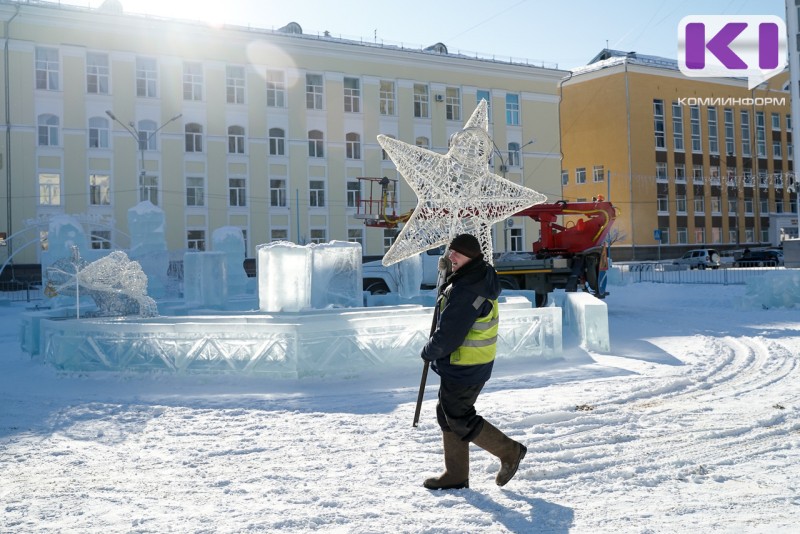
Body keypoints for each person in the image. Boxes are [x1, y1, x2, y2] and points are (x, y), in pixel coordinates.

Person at [421, 233, 527, 490]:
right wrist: (447, 277)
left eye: (457, 253)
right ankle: (455, 474)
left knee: (459, 416)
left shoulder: (468, 288)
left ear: (472, 256)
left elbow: (450, 334)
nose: (451, 256)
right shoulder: (476, 276)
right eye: (450, 252)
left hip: (465, 364)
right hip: (470, 362)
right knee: (447, 412)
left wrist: (429, 351)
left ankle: (510, 452)